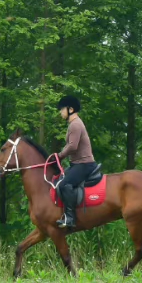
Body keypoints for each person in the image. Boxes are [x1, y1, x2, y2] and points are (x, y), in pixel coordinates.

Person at [54, 95, 96, 229]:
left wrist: (59, 156)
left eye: (62, 109)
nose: (61, 112)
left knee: (64, 185)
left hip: (84, 164)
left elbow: (73, 146)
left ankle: (70, 218)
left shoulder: (75, 124)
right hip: (77, 164)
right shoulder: (74, 124)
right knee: (59, 181)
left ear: (70, 109)